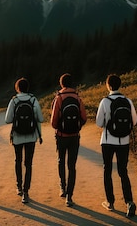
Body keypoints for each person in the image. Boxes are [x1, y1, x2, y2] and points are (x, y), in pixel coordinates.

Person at [95, 74, 137, 218]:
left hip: (107, 141)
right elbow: (135, 121)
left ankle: (110, 202)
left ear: (108, 85)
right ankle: (129, 202)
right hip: (124, 141)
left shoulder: (105, 101)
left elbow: (99, 123)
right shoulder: (128, 101)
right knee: (123, 171)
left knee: (107, 170)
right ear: (120, 85)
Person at [5, 77, 44, 203]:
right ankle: (26, 192)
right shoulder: (33, 100)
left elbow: (7, 119)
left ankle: (19, 187)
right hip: (31, 136)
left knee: (18, 161)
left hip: (17, 136)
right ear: (28, 88)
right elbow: (41, 119)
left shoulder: (14, 100)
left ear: (17, 88)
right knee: (28, 164)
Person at [50, 73, 87, 207]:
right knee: (72, 166)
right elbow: (84, 117)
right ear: (72, 83)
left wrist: (60, 128)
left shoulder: (59, 98)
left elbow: (53, 121)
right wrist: (76, 128)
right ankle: (70, 197)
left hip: (61, 136)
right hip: (74, 137)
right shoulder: (77, 98)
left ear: (61, 84)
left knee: (61, 160)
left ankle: (62, 188)